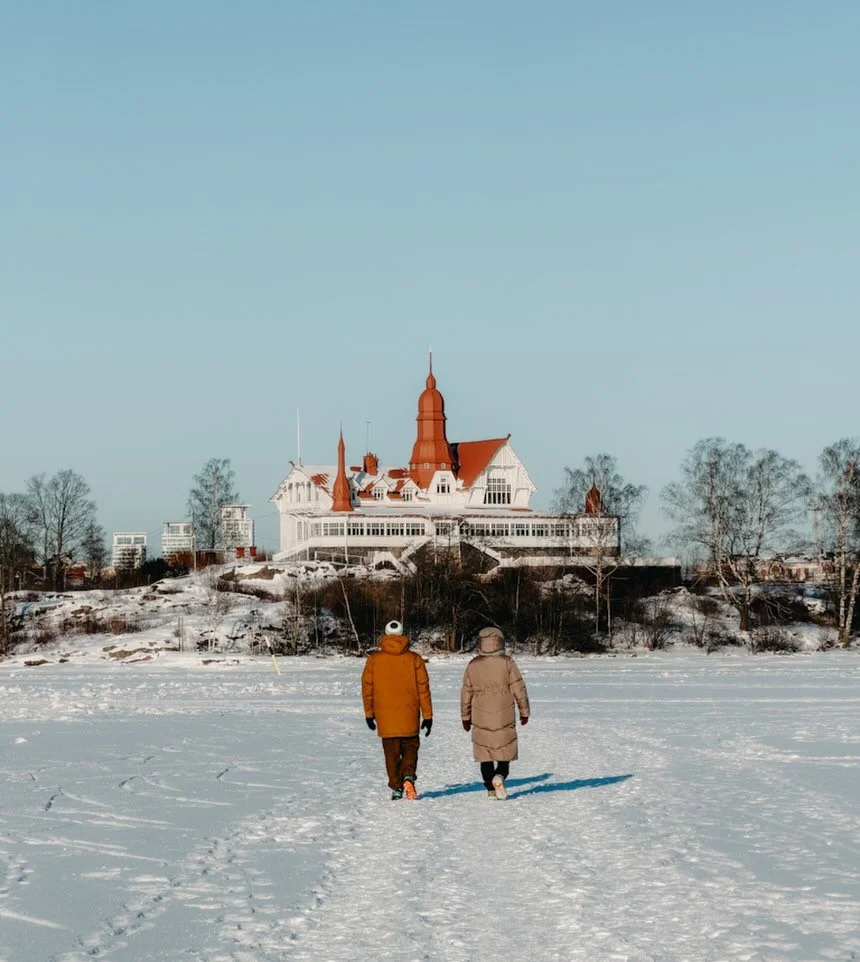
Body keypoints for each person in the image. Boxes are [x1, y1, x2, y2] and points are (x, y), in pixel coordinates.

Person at [362, 619, 433, 800]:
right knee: (410, 747)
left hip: (385, 717)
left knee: (391, 753)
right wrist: (428, 715)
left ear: (385, 635)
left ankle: (396, 787)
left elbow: (367, 688)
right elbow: (423, 688)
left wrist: (369, 714)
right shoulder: (414, 659)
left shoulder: (374, 660)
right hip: (409, 714)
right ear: (403, 634)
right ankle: (408, 775)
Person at [460, 626, 530, 800]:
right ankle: (499, 776)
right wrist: (524, 711)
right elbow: (519, 688)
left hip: (480, 714)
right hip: (503, 713)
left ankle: (491, 790)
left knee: (485, 754)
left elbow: (466, 693)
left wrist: (465, 717)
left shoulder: (473, 664)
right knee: (504, 751)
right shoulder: (507, 662)